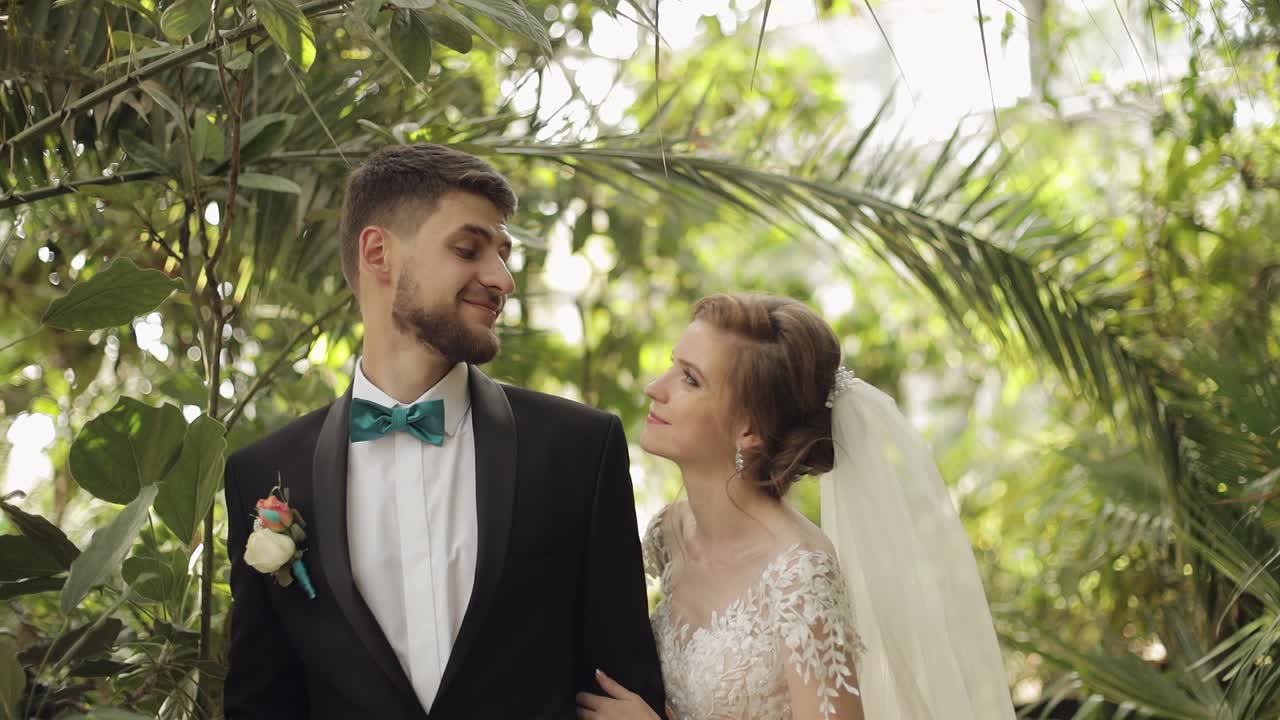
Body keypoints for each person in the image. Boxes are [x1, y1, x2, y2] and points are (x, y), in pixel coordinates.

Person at [223, 143, 665, 719]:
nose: (502, 279)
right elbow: (261, 703)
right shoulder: (265, 474)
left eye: (503, 255)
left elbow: (622, 689)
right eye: (468, 249)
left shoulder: (581, 450)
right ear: (378, 253)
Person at [576, 293, 1014, 720]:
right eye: (673, 366)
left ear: (750, 430)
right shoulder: (669, 533)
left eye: (690, 379)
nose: (655, 388)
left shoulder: (800, 575)